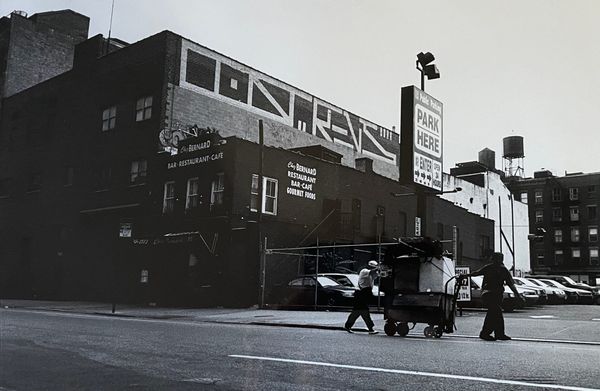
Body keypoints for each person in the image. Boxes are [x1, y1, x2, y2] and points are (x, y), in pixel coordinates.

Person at [465, 252, 524, 341]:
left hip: (489, 294)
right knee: (495, 312)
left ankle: (496, 333)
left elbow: (476, 273)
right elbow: (511, 284)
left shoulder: (490, 268)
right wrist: (518, 295)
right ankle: (488, 333)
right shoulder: (502, 270)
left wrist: (466, 276)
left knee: (495, 313)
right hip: (494, 294)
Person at [344, 260, 379, 334]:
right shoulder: (364, 271)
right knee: (364, 311)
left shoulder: (371, 274)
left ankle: (348, 326)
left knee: (357, 312)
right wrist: (379, 268)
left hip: (363, 294)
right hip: (360, 294)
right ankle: (370, 328)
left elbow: (376, 275)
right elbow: (372, 272)